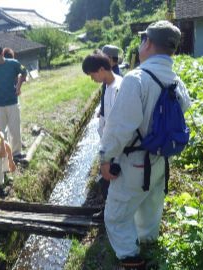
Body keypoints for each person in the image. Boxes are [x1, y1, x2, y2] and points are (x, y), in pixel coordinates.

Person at [99, 21, 191, 268]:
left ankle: (130, 257)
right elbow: (183, 110)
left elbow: (118, 128)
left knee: (116, 215)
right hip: (160, 159)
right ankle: (148, 243)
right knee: (150, 205)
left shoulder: (136, 79)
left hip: (133, 164)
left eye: (142, 40)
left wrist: (105, 159)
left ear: (148, 42)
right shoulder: (176, 80)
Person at [82, 52, 123, 217]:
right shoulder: (107, 86)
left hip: (115, 146)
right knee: (107, 182)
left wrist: (108, 155)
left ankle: (112, 216)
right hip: (108, 143)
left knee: (109, 181)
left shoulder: (119, 87)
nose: (92, 79)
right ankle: (109, 212)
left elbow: (119, 125)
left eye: (92, 75)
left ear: (101, 69)